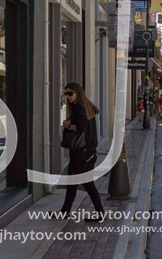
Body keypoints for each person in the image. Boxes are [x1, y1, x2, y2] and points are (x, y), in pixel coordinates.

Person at [57, 83, 105, 221]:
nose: (68, 96)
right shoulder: (88, 107)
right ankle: (65, 211)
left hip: (81, 152)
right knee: (74, 182)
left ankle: (99, 212)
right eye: (66, 93)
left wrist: (68, 125)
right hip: (88, 151)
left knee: (85, 183)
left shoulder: (79, 108)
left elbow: (81, 128)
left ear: (78, 93)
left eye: (70, 93)